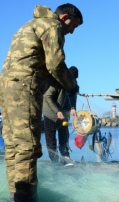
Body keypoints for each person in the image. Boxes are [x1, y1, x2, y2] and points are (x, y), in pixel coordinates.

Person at [0, 4, 83, 201]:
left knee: (13, 146)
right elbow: (55, 64)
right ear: (64, 18)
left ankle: (16, 194)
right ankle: (25, 197)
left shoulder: (31, 24)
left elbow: (41, 65)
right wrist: (71, 85)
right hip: (24, 87)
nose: (71, 31)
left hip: (6, 87)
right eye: (74, 26)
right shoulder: (52, 26)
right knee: (28, 146)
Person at [43, 66, 79, 165]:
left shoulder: (74, 87)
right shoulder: (57, 82)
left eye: (75, 79)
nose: (74, 81)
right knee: (51, 140)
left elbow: (73, 98)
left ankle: (65, 158)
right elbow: (47, 97)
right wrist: (57, 111)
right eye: (73, 79)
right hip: (50, 113)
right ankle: (54, 160)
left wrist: (73, 108)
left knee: (64, 137)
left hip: (64, 115)